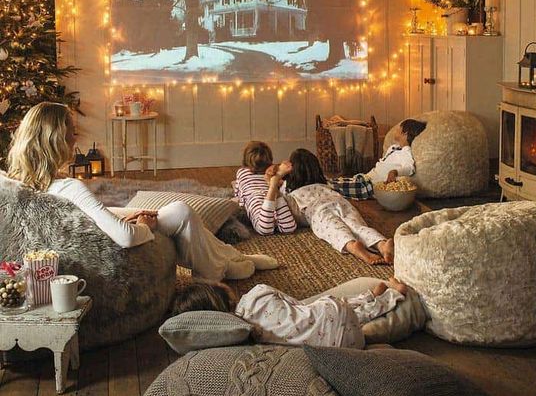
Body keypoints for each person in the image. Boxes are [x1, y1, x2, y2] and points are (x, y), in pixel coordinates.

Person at [6, 102, 278, 281]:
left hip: (87, 238)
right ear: (55, 141)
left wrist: (129, 212)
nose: (76, 139)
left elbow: (84, 214)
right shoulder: (71, 186)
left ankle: (229, 255)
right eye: (70, 134)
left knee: (173, 213)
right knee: (181, 212)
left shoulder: (25, 183)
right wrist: (145, 226)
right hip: (107, 250)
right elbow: (124, 237)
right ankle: (222, 268)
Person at [172, 277, 408, 349]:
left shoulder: (244, 336)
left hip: (347, 345)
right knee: (328, 307)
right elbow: (299, 306)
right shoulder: (257, 292)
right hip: (337, 316)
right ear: (221, 291)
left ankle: (373, 297)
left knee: (329, 317)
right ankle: (389, 295)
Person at [283, 148, 394, 264]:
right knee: (358, 226)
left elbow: (280, 198)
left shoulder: (291, 191)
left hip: (318, 210)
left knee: (335, 230)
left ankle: (352, 246)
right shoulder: (325, 182)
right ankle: (382, 245)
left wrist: (279, 176)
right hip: (339, 202)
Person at [328, 119, 427, 200]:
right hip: (366, 178)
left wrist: (395, 172)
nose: (396, 130)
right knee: (334, 182)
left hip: (371, 186)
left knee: (333, 188)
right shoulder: (393, 147)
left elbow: (410, 168)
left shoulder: (406, 152)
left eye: (399, 128)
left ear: (405, 133)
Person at [234, 141, 296, 236]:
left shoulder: (241, 172)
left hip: (255, 199)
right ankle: (273, 186)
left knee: (265, 229)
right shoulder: (274, 171)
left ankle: (273, 185)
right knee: (289, 227)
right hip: (273, 196)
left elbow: (239, 195)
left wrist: (243, 206)